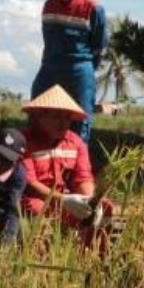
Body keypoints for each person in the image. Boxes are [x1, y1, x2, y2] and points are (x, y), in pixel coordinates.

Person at [20, 84, 113, 251]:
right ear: (40, 116)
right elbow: (30, 183)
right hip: (37, 200)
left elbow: (83, 177)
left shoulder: (75, 142)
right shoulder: (25, 141)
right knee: (36, 208)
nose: (63, 123)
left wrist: (90, 201)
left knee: (105, 207)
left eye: (67, 118)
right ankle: (41, 259)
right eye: (56, 117)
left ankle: (92, 258)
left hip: (67, 200)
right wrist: (64, 200)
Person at [30, 0, 107, 144]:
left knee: (80, 116)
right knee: (38, 108)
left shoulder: (93, 8)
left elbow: (99, 45)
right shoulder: (48, 6)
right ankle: (37, 154)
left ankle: (76, 161)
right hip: (50, 66)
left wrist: (86, 69)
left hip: (79, 68)